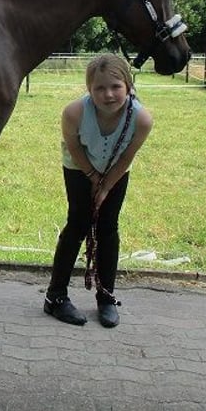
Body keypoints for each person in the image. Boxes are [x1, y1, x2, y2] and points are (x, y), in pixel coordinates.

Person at [44, 53, 153, 328]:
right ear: (89, 89)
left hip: (116, 169)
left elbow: (127, 157)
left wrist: (106, 186)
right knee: (78, 224)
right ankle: (55, 297)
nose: (108, 94)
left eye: (116, 86)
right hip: (79, 166)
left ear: (128, 85)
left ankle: (106, 298)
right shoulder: (74, 113)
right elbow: (73, 146)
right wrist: (93, 178)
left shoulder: (141, 119)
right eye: (99, 88)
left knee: (108, 227)